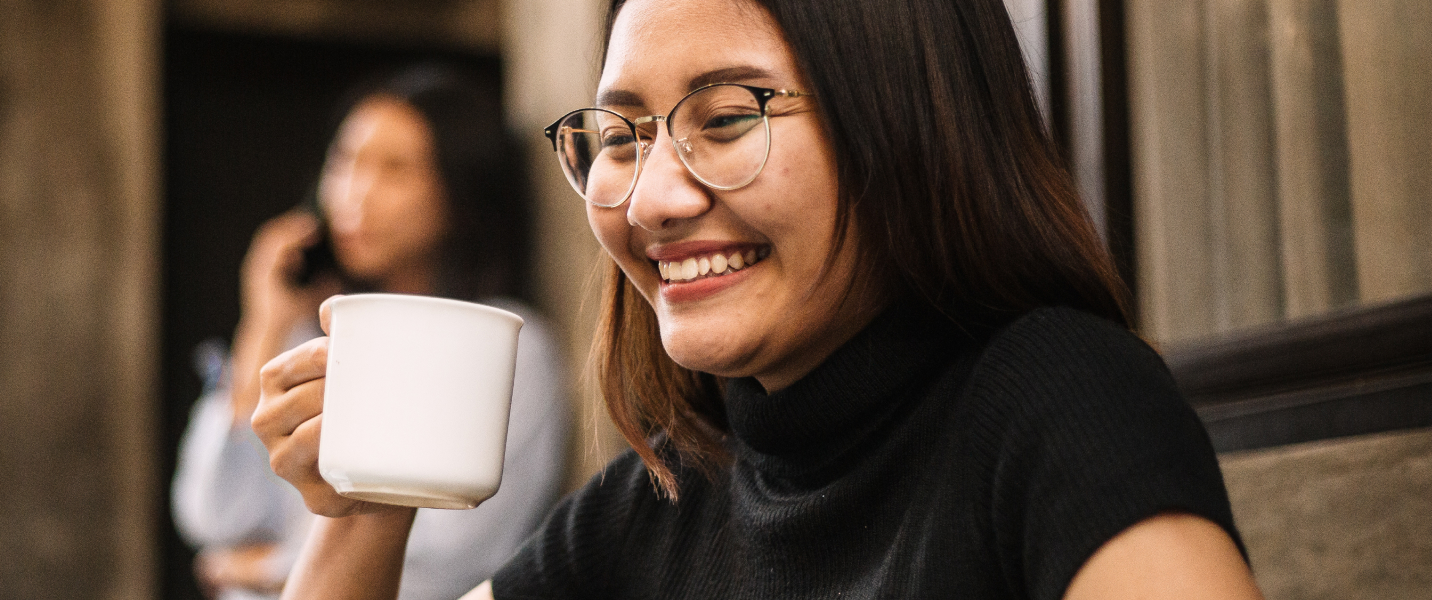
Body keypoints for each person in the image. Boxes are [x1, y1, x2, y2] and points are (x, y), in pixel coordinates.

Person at [249, 0, 1269, 598]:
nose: (650, 200)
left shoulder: (1058, 401)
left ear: (906, 123)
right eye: (619, 137)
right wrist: (361, 508)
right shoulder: (661, 499)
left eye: (727, 119)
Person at [170, 65, 570, 600]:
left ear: (460, 190)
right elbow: (212, 517)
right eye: (345, 161)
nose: (355, 193)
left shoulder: (504, 347)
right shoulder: (321, 338)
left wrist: (268, 571)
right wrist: (261, 328)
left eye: (395, 169)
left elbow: (447, 564)